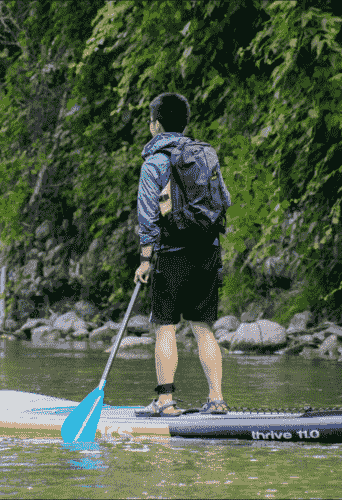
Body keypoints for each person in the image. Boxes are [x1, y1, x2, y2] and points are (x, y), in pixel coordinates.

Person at [134, 92, 228, 417]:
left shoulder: (154, 161)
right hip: (208, 250)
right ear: (185, 123)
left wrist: (145, 259)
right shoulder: (204, 156)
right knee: (203, 326)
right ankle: (216, 398)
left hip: (172, 253)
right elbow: (221, 200)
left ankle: (165, 401)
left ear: (155, 124)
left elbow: (148, 216)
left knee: (165, 326)